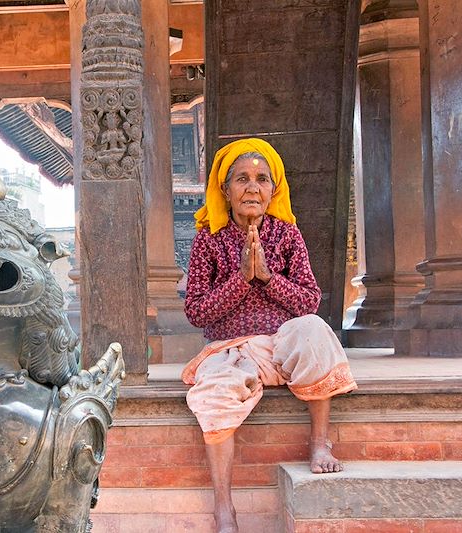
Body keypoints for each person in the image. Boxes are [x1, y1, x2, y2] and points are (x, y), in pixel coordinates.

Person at [182, 138, 357, 533]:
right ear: (224, 190)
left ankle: (319, 443)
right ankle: (224, 509)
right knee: (212, 392)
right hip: (231, 351)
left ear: (273, 189)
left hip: (284, 346)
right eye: (241, 179)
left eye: (262, 179)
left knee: (312, 328)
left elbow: (309, 299)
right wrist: (242, 280)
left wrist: (268, 278)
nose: (252, 187)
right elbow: (195, 311)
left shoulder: (288, 235)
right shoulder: (208, 238)